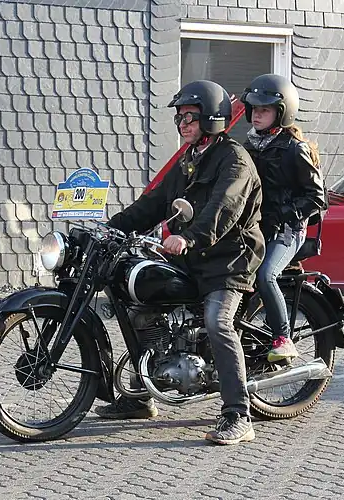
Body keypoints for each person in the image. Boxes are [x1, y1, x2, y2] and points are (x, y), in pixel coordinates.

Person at [95, 80, 265, 445]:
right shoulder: (190, 158)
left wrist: (189, 237)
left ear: (212, 118)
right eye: (179, 117)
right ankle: (140, 397)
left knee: (217, 321)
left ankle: (239, 414)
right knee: (140, 307)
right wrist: (110, 228)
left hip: (229, 259)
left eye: (190, 116)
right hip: (193, 256)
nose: (183, 123)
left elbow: (224, 208)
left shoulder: (234, 159)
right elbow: (154, 203)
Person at [240, 74, 326, 362]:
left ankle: (283, 338)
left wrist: (285, 215)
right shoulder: (250, 146)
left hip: (288, 231)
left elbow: (316, 197)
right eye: (254, 109)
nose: (256, 115)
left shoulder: (294, 149)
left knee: (266, 274)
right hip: (258, 228)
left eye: (264, 110)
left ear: (281, 112)